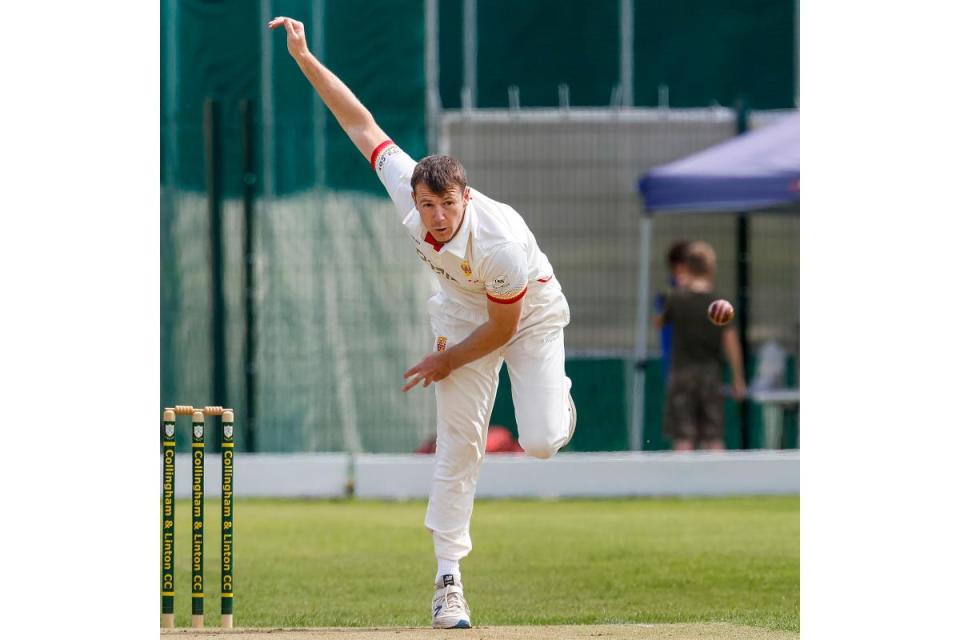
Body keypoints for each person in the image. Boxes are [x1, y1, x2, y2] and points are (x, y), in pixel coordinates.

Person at [268, 17, 576, 629]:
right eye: (427, 204)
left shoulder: (500, 243)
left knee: (540, 442)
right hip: (462, 308)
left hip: (526, 315)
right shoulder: (409, 193)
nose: (435, 217)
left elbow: (501, 329)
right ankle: (448, 581)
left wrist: (444, 359)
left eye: (447, 205)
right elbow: (360, 123)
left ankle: (561, 407)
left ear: (467, 196)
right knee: (458, 446)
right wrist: (304, 56)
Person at [656, 241, 746, 451]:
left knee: (683, 438)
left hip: (681, 374)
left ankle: (680, 483)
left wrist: (678, 287)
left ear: (686, 267)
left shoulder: (677, 299)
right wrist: (737, 377)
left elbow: (659, 323)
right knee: (713, 437)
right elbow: (731, 342)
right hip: (710, 375)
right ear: (710, 268)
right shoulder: (719, 303)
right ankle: (720, 483)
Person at [654, 241, 690, 380]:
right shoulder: (666, 296)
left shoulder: (700, 293)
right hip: (676, 367)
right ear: (677, 268)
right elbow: (659, 322)